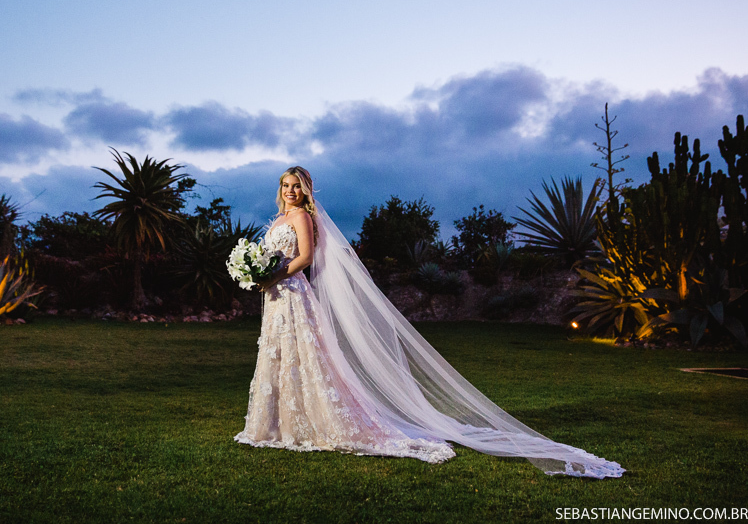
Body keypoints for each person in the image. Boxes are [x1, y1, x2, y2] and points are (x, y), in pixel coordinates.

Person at [234, 166, 624, 478]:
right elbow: (274, 256)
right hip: (276, 297)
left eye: (296, 186)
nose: (290, 191)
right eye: (285, 185)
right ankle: (280, 424)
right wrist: (257, 272)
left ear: (306, 190)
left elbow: (304, 258)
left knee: (305, 356)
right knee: (278, 355)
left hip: (291, 293)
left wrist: (273, 276)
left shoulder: (303, 217)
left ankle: (315, 422)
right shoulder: (279, 218)